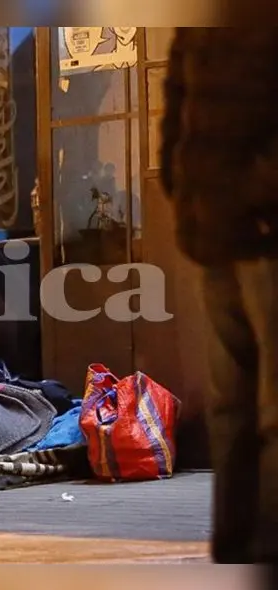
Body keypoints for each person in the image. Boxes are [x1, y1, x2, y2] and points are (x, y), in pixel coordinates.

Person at [161, 29, 278, 565]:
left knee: (231, 404)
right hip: (262, 227)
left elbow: (174, 115)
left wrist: (189, 202)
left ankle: (234, 543)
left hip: (212, 228)